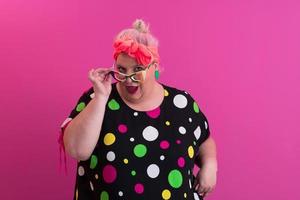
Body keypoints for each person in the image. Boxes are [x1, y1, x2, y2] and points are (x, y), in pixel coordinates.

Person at [59, 19, 218, 200]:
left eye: (138, 69)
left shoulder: (182, 104)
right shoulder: (97, 99)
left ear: (155, 67)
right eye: (121, 69)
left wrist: (210, 165)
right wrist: (101, 98)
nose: (128, 78)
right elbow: (76, 150)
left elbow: (204, 139)